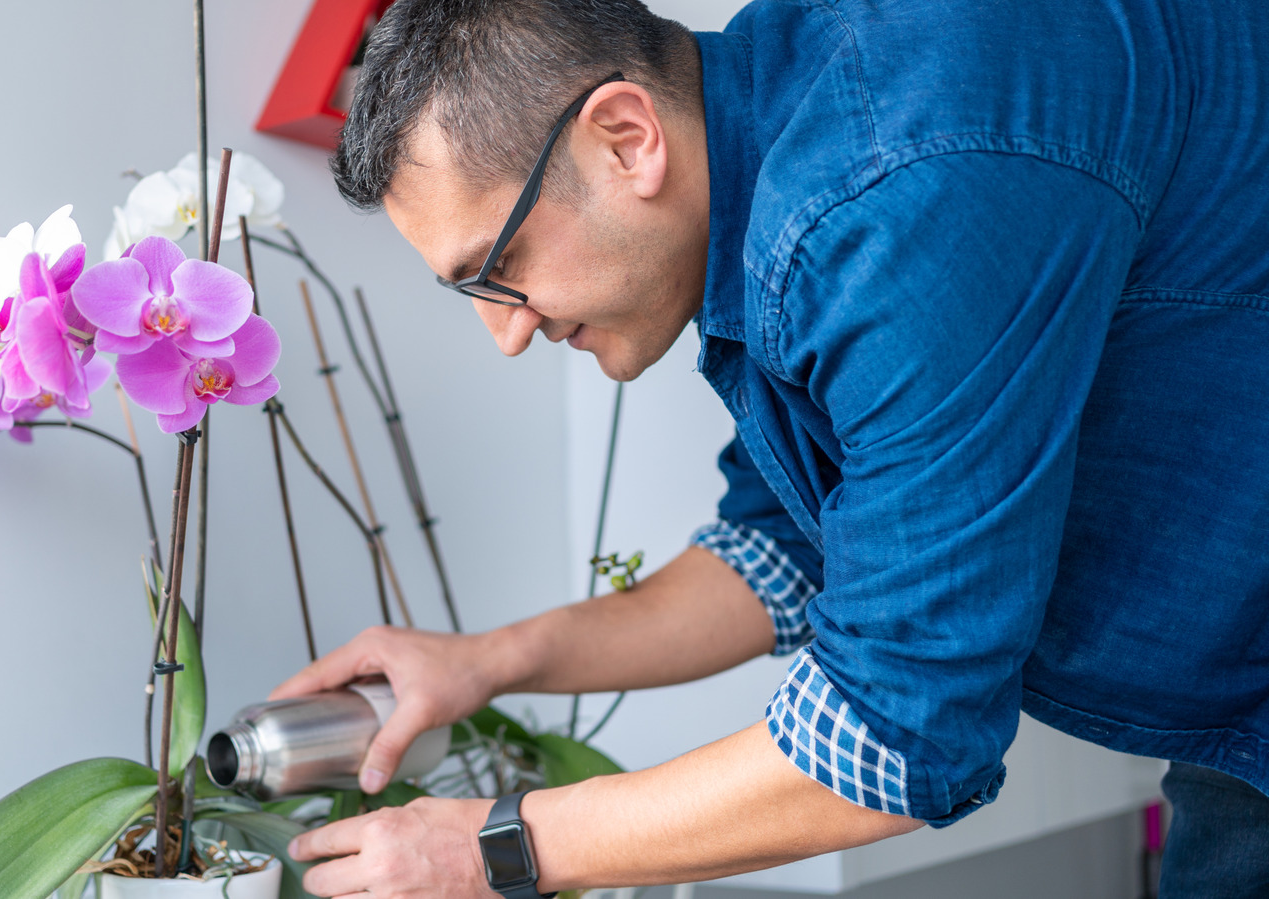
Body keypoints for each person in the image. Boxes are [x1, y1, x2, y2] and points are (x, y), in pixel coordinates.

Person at [273, 0, 1269, 896]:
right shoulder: (794, 152)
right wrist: (485, 663)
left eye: (496, 270)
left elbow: (896, 734)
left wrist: (491, 846)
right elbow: (782, 559)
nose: (508, 332)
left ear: (625, 138)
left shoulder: (885, 198)